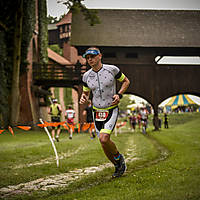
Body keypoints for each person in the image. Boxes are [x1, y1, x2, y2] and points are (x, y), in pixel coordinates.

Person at [79, 47, 130, 178]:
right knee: (103, 143)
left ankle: (119, 158)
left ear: (100, 56)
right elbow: (86, 93)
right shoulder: (86, 76)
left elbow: (126, 81)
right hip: (97, 112)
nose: (90, 59)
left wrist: (119, 94)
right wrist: (83, 97)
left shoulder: (112, 69)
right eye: (88, 57)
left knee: (104, 138)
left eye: (93, 57)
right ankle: (117, 166)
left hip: (110, 110)